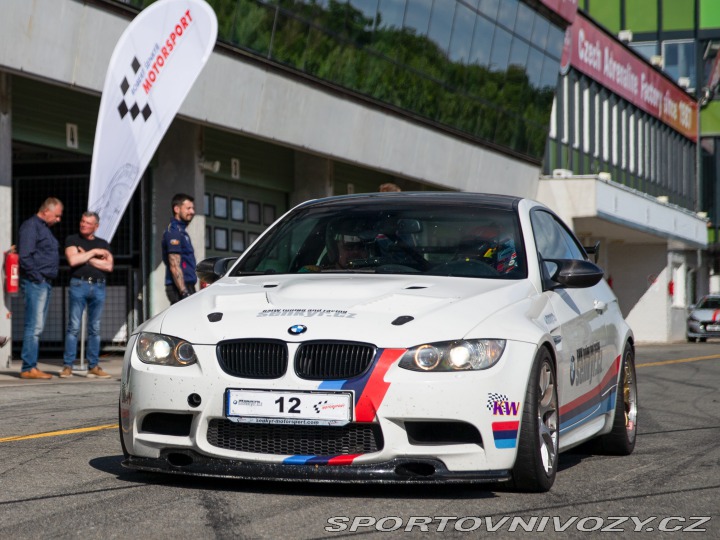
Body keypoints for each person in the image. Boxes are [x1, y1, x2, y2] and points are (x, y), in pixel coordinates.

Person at [61, 211, 114, 379]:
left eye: (88, 223)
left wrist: (86, 256)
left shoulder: (103, 243)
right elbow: (73, 260)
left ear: (96, 226)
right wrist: (94, 253)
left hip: (98, 286)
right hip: (79, 283)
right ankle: (67, 365)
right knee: (74, 326)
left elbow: (109, 266)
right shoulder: (72, 240)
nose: (83, 224)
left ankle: (94, 365)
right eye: (82, 221)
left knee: (95, 328)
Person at [17, 197, 63, 380]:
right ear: (47, 211)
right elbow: (25, 256)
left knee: (37, 326)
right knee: (33, 327)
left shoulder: (43, 228)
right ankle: (28, 367)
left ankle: (31, 366)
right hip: (36, 283)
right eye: (57, 216)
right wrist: (38, 278)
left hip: (43, 282)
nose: (58, 219)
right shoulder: (31, 226)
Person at [162, 193, 197, 304]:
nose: (192, 212)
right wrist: (184, 292)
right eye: (188, 208)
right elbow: (174, 265)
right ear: (177, 209)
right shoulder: (174, 232)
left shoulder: (182, 232)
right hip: (179, 288)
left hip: (188, 286)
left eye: (193, 208)